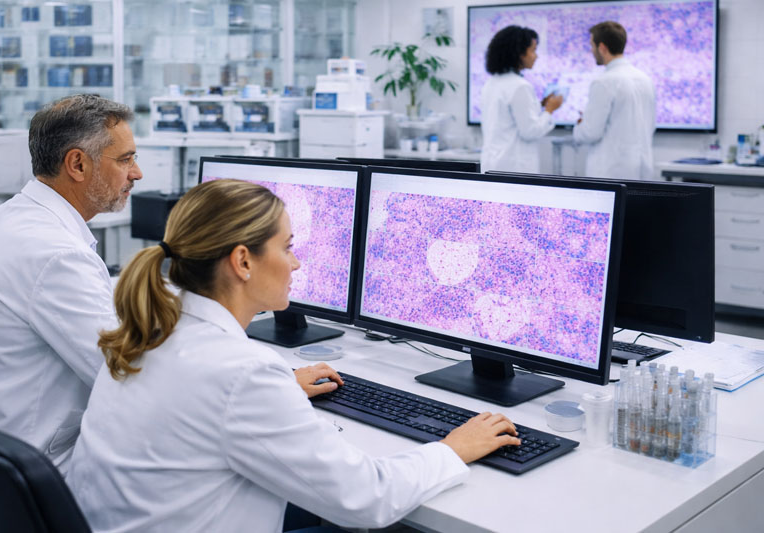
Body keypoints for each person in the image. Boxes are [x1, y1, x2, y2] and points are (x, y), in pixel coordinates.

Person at [66, 179, 521, 532]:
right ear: (243, 261)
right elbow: (367, 498)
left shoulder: (150, 328)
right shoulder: (241, 374)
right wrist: (452, 450)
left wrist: (281, 388)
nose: (297, 263)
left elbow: (200, 407)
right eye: (286, 248)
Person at [0, 94, 143, 472]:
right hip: (50, 470)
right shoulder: (57, 255)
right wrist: (257, 393)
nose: (137, 173)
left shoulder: (5, 221)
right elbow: (132, 382)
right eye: (125, 159)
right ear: (77, 164)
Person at [573, 21, 656, 180]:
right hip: (641, 171)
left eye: (592, 46)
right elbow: (650, 125)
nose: (591, 51)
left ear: (602, 48)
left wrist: (580, 124)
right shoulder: (645, 80)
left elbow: (591, 133)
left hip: (610, 172)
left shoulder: (604, 82)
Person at [480, 25, 563, 174]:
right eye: (533, 50)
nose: (536, 56)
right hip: (513, 168)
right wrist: (549, 111)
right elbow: (530, 131)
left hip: (492, 164)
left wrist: (539, 105)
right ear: (519, 53)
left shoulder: (492, 83)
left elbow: (507, 118)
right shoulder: (520, 86)